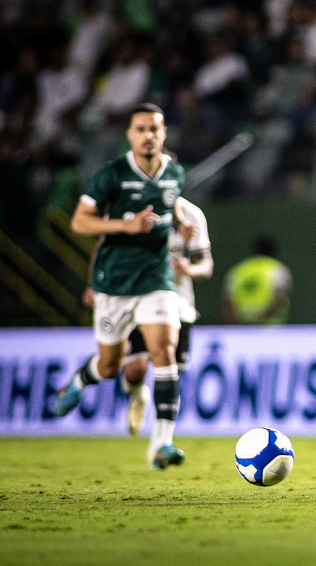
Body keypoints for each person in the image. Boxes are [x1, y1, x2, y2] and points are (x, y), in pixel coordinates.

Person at [54, 103, 193, 470]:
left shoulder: (175, 174)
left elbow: (170, 210)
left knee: (164, 353)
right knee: (110, 366)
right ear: (129, 135)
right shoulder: (112, 175)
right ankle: (81, 381)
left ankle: (161, 445)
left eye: (155, 129)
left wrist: (181, 225)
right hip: (114, 284)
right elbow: (81, 223)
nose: (149, 135)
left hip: (156, 281)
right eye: (141, 129)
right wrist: (125, 227)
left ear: (164, 134)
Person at [81, 194, 213, 437]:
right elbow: (103, 249)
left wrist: (190, 269)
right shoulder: (130, 212)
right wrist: (93, 284)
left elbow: (206, 264)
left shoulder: (192, 215)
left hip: (177, 303)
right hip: (138, 298)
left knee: (172, 370)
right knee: (135, 371)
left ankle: (162, 439)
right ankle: (139, 394)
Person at [222, 235, 292, 325]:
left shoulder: (239, 270)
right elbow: (279, 298)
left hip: (243, 329)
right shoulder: (278, 269)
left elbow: (227, 300)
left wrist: (236, 323)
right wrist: (259, 320)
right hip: (271, 330)